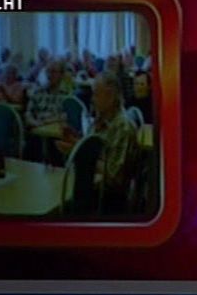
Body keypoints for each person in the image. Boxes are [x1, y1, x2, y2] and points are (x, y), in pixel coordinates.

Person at [56, 71, 141, 214]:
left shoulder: (123, 127)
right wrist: (75, 140)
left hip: (107, 202)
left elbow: (114, 177)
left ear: (111, 96)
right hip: (92, 189)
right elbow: (95, 150)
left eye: (96, 94)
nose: (92, 99)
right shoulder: (101, 119)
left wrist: (77, 153)